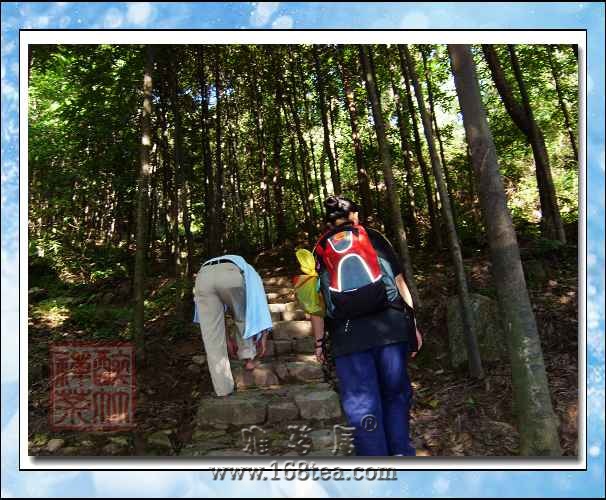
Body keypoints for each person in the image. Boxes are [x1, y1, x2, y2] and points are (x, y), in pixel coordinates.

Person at [310, 196, 423, 456]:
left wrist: (319, 343)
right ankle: (400, 454)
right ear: (355, 216)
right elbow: (399, 283)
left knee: (361, 404)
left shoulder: (319, 249)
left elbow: (315, 305)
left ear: (327, 223)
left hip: (348, 337)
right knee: (395, 394)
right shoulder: (375, 238)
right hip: (390, 329)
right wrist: (412, 325)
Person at [193, 255, 272, 397]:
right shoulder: (251, 273)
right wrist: (264, 336)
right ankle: (248, 359)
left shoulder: (244, 269)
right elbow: (258, 307)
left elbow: (218, 321)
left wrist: (227, 339)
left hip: (203, 277)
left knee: (212, 335)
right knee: (242, 316)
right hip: (229, 273)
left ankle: (223, 389)